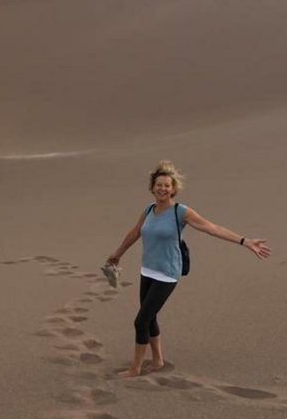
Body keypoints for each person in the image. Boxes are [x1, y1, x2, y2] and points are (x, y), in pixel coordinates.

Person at [106, 160, 271, 377]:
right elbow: (135, 233)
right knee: (151, 316)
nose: (162, 189)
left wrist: (244, 241)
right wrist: (117, 254)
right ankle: (157, 361)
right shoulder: (148, 210)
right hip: (147, 270)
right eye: (158, 185)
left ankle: (135, 369)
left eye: (167, 185)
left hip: (167, 273)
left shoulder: (180, 212)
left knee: (141, 320)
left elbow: (212, 228)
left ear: (173, 189)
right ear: (152, 188)